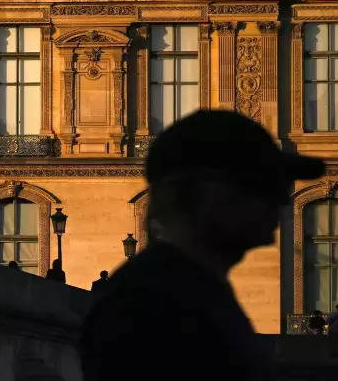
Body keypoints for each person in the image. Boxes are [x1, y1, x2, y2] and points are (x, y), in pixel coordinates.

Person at [80, 110, 325, 381]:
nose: (282, 199)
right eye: (262, 184)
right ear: (205, 192)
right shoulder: (154, 306)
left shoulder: (174, 293)